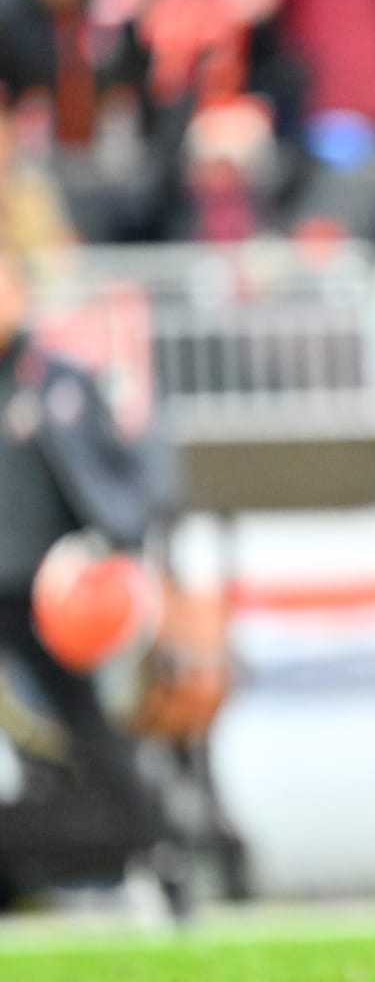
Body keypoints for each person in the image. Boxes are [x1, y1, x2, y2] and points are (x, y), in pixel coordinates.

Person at [0, 245, 184, 916]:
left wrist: (119, 543)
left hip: (47, 595)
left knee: (90, 732)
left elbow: (139, 469)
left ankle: (159, 858)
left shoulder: (59, 381)